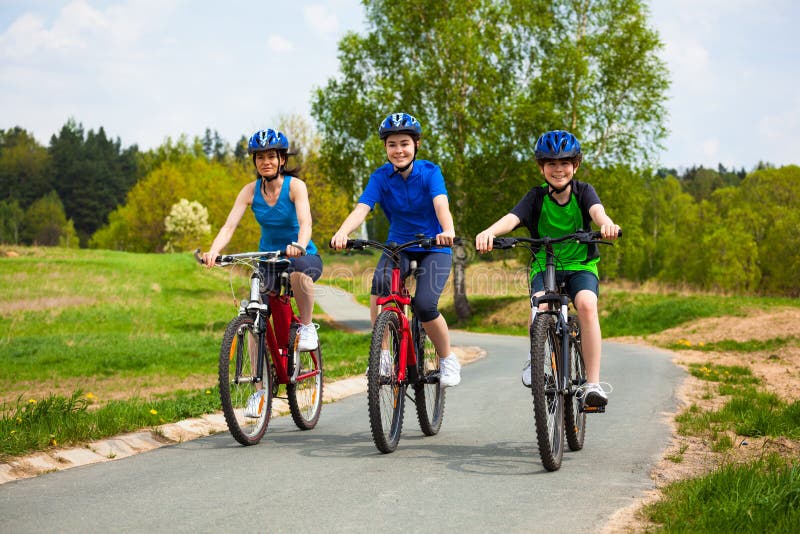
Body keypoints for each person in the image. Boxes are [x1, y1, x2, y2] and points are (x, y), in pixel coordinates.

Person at [475, 130, 620, 407]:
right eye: (551, 163)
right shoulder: (536, 197)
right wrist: (489, 232)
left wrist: (606, 225)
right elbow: (512, 218)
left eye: (564, 163)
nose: (558, 169)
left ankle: (593, 384)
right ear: (541, 167)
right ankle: (537, 358)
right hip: (545, 264)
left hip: (580, 265)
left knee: (587, 305)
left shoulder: (583, 192)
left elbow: (598, 212)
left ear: (575, 165)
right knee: (539, 307)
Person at [330, 112, 461, 388]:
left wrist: (447, 231)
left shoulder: (430, 172)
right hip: (398, 245)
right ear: (385, 148)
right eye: (392, 144)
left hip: (434, 246)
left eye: (404, 143)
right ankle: (384, 354)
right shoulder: (380, 177)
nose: (398, 150)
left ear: (416, 145)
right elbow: (362, 208)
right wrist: (343, 232)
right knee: (379, 287)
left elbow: (441, 204)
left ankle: (448, 358)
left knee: (425, 305)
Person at [202, 129, 323, 416]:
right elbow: (229, 226)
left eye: (271, 156)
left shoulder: (295, 187)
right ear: (255, 161)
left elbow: (305, 221)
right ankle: (259, 393)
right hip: (268, 259)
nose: (265, 161)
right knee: (255, 319)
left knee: (298, 276)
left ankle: (305, 326)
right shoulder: (249, 191)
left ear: (282, 159)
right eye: (260, 157)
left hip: (301, 255)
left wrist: (300, 245)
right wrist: (214, 251)